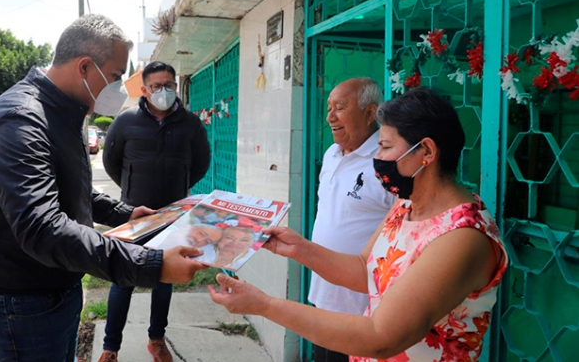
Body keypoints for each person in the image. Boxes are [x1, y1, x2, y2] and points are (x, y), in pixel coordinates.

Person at [0, 14, 206, 362]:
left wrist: (126, 213)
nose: (120, 88)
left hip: (51, 293)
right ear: (85, 67)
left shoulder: (62, 112)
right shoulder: (20, 120)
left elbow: (70, 187)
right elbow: (42, 229)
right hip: (17, 306)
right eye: (116, 76)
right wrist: (151, 265)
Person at [209, 87, 508, 362]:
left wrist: (264, 305)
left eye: (386, 147)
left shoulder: (462, 237)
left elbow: (382, 337)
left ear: (426, 152)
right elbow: (365, 269)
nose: (377, 159)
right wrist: (298, 249)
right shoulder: (407, 206)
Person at [99, 61, 211, 362]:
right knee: (123, 281)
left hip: (173, 217)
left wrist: (180, 189)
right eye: (157, 86)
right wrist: (131, 195)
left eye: (169, 85)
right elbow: (112, 163)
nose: (164, 91)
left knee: (164, 280)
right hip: (135, 216)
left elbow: (201, 163)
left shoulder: (190, 123)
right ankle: (110, 348)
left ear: (176, 85)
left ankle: (156, 339)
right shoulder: (125, 122)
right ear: (145, 90)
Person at [309, 78, 396, 362]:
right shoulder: (332, 154)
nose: (329, 117)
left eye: (340, 108)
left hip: (362, 308)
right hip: (323, 297)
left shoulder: (386, 162)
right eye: (329, 108)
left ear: (370, 113)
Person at [148, 223, 223, 250]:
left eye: (206, 241)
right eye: (201, 234)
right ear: (187, 227)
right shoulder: (151, 231)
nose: (199, 240)